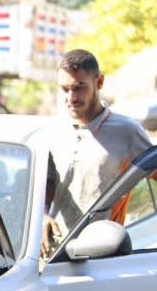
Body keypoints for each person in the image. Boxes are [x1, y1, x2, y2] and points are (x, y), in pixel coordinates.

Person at [41, 49, 154, 258]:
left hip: (103, 254)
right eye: (64, 89)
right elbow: (48, 182)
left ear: (99, 82)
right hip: (55, 255)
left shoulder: (127, 130)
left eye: (79, 87)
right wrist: (43, 215)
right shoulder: (55, 131)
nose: (71, 97)